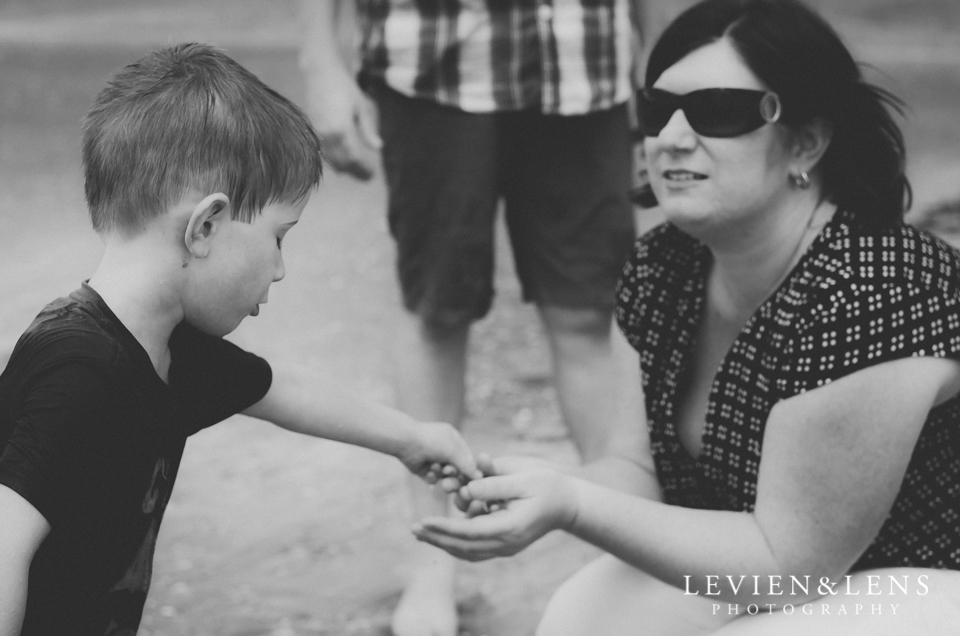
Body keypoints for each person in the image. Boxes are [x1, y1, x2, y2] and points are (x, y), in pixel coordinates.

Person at [411, 1, 960, 634]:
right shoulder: (665, 265)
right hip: (783, 566)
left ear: (806, 140)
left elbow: (791, 565)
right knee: (582, 618)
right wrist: (525, 481)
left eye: (717, 111)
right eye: (656, 110)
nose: (670, 136)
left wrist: (573, 505)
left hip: (920, 575)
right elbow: (635, 474)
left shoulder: (876, 288)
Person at [0, 43, 481, 636]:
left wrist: (414, 439)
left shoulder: (169, 347)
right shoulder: (82, 368)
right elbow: (5, 543)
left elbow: (281, 390)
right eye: (280, 238)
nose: (280, 270)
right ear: (205, 226)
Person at [298, 2, 658, 634]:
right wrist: (322, 58)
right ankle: (432, 563)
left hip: (588, 61)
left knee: (591, 316)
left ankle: (625, 548)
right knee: (437, 308)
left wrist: (647, 70)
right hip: (434, 59)